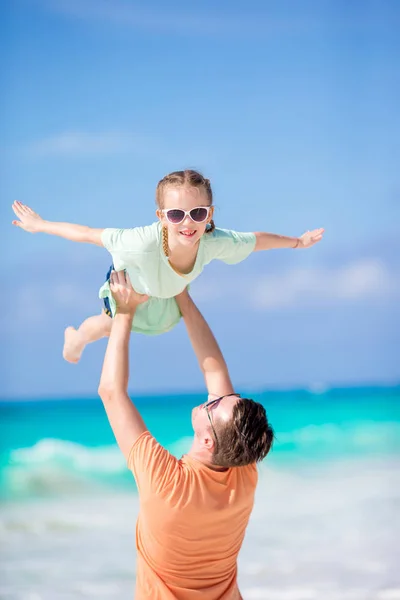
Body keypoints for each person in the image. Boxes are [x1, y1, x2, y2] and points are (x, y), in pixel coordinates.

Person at [11, 169, 324, 363]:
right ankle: (75, 339)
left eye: (198, 213)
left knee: (159, 326)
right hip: (129, 287)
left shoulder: (216, 241)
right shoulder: (138, 241)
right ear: (161, 216)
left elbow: (256, 240)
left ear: (210, 214)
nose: (187, 223)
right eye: (176, 214)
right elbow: (89, 234)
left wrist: (298, 242)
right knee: (106, 326)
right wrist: (40, 225)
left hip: (164, 294)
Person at [98, 269, 274, 600]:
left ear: (208, 442)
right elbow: (215, 371)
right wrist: (181, 294)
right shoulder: (242, 469)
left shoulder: (169, 483)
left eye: (217, 404)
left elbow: (111, 392)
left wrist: (125, 311)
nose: (215, 396)